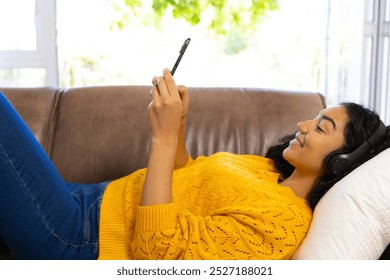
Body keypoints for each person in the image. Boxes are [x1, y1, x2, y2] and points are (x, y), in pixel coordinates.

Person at [0, 69, 389, 260]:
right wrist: (180, 125)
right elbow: (187, 176)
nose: (303, 125)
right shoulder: (270, 171)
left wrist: (162, 137)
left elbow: (157, 253)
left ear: (339, 163)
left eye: (322, 127)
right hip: (87, 199)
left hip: (76, 236)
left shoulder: (281, 227)